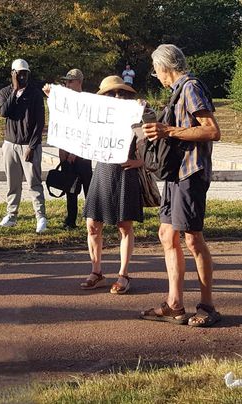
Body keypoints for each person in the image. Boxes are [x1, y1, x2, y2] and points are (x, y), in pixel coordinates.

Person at [140, 44, 221, 327]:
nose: (156, 75)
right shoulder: (177, 91)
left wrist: (168, 130)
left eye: (156, 70)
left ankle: (208, 306)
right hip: (176, 173)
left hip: (191, 172)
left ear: (165, 67)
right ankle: (175, 304)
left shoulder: (191, 87)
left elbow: (212, 130)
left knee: (192, 238)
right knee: (166, 234)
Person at [80, 76, 145, 294]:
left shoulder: (138, 116)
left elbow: (152, 147)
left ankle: (124, 275)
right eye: (110, 94)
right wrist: (55, 99)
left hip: (125, 173)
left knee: (124, 226)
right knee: (92, 224)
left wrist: (139, 162)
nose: (116, 97)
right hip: (102, 171)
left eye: (120, 93)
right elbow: (75, 121)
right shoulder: (97, 117)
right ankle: (96, 272)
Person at [0, 58, 47, 233]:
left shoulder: (35, 93)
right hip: (10, 143)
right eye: (20, 74)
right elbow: (4, 112)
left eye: (25, 74)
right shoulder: (5, 92)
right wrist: (15, 91)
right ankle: (11, 215)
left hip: (28, 144)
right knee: (13, 183)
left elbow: (39, 123)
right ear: (13, 74)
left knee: (34, 182)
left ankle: (40, 217)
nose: (23, 77)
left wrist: (32, 147)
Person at [43, 69, 93, 229]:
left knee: (88, 188)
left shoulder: (86, 101)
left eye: (70, 81)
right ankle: (71, 220)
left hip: (83, 154)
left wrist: (75, 151)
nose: (67, 84)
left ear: (79, 82)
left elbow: (87, 129)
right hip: (66, 153)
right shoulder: (65, 102)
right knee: (69, 187)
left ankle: (93, 219)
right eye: (66, 81)